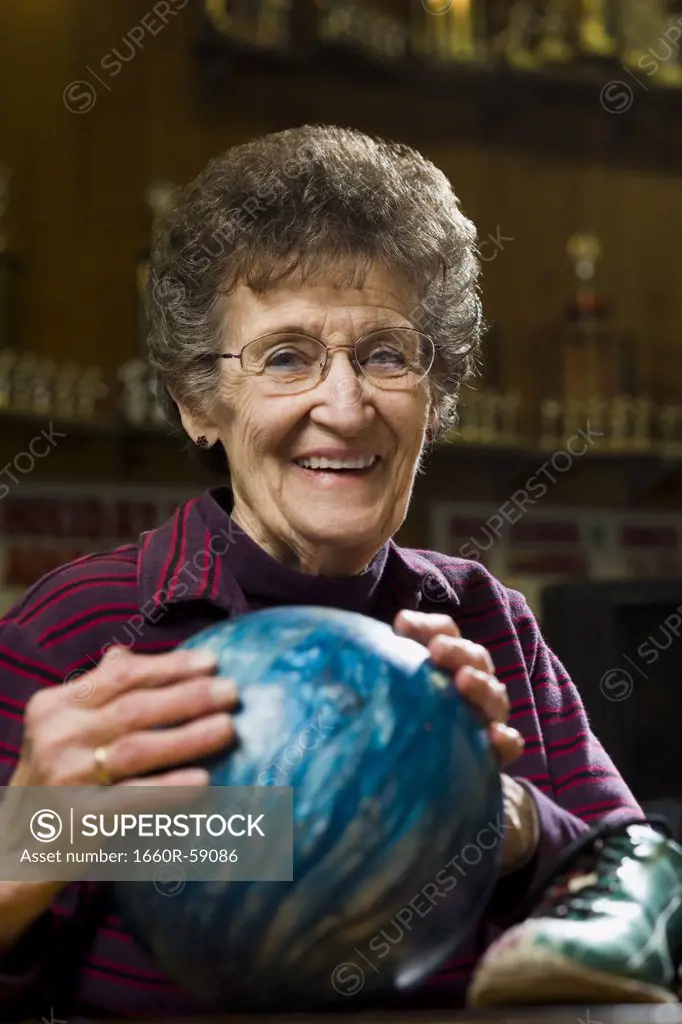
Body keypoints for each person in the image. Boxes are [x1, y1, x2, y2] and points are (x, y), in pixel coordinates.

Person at [0, 124, 680, 1019]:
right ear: (199, 401)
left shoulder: (488, 623)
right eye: (287, 357)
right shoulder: (74, 633)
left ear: (434, 399)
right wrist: (38, 838)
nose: (346, 405)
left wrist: (507, 818)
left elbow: (636, 893)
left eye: (387, 354)